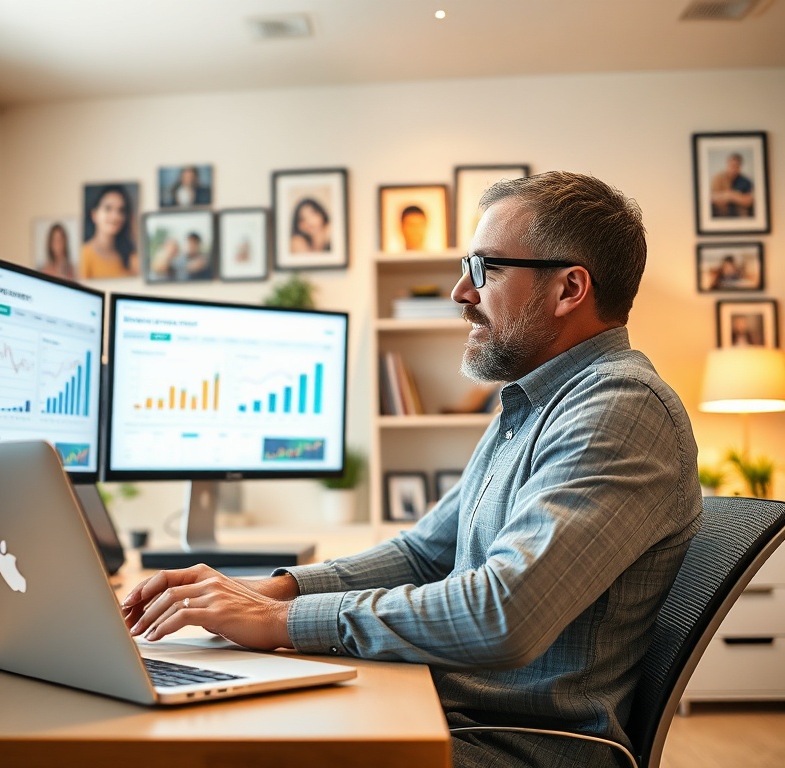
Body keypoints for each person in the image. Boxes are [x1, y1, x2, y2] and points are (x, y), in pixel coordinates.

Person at [121, 171, 702, 768]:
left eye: (485, 269)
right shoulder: (532, 407)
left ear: (569, 289)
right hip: (457, 711)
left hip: (521, 745)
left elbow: (502, 615)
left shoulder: (621, 409)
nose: (459, 292)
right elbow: (424, 554)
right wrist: (275, 589)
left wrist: (279, 620)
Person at [80, 185, 138, 278]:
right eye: (108, 208)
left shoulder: (131, 257)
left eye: (121, 210)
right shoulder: (84, 254)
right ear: (94, 214)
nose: (115, 217)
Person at [710, 152, 754, 218]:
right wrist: (735, 196)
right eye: (731, 165)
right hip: (721, 214)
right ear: (727, 164)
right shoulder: (718, 178)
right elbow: (711, 197)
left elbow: (749, 200)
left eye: (736, 166)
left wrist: (730, 195)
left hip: (739, 215)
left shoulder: (746, 181)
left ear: (740, 166)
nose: (733, 168)